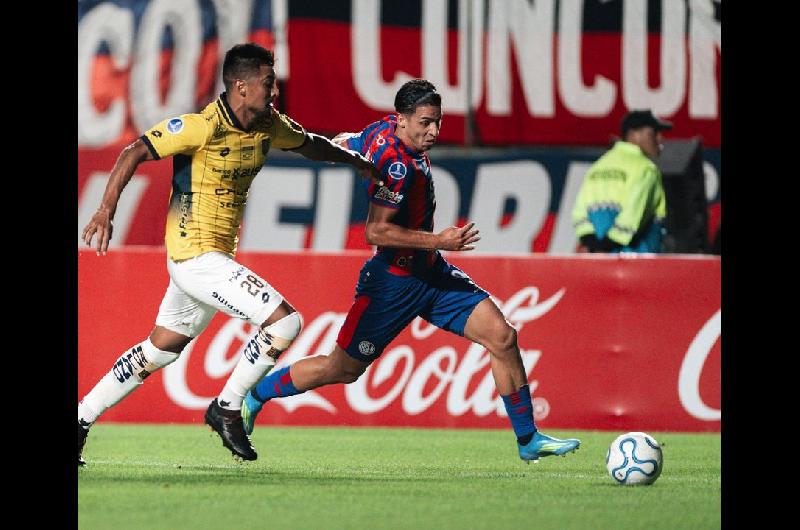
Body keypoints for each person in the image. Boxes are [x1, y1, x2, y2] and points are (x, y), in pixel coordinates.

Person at [239, 79, 581, 464]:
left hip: (431, 276)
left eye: (437, 122)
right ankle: (256, 394)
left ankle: (528, 438)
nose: (433, 131)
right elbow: (376, 231)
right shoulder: (397, 167)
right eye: (425, 122)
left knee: (502, 337)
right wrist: (442, 241)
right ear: (402, 120)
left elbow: (346, 140)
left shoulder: (382, 130)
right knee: (342, 369)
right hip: (392, 283)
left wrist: (348, 154)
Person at [78, 43, 382, 465]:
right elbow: (133, 152)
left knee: (161, 349)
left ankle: (80, 419)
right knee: (285, 322)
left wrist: (354, 161)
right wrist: (105, 210)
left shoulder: (266, 124)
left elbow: (310, 144)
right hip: (195, 256)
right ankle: (227, 407)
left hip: (209, 259)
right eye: (267, 83)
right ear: (241, 85)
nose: (273, 91)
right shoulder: (199, 126)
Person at [571, 109, 671, 253]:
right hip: (638, 261)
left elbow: (579, 212)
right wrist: (608, 246)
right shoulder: (646, 169)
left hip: (599, 261)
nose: (660, 138)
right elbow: (634, 214)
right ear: (633, 135)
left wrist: (594, 245)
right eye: (653, 133)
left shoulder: (597, 168)